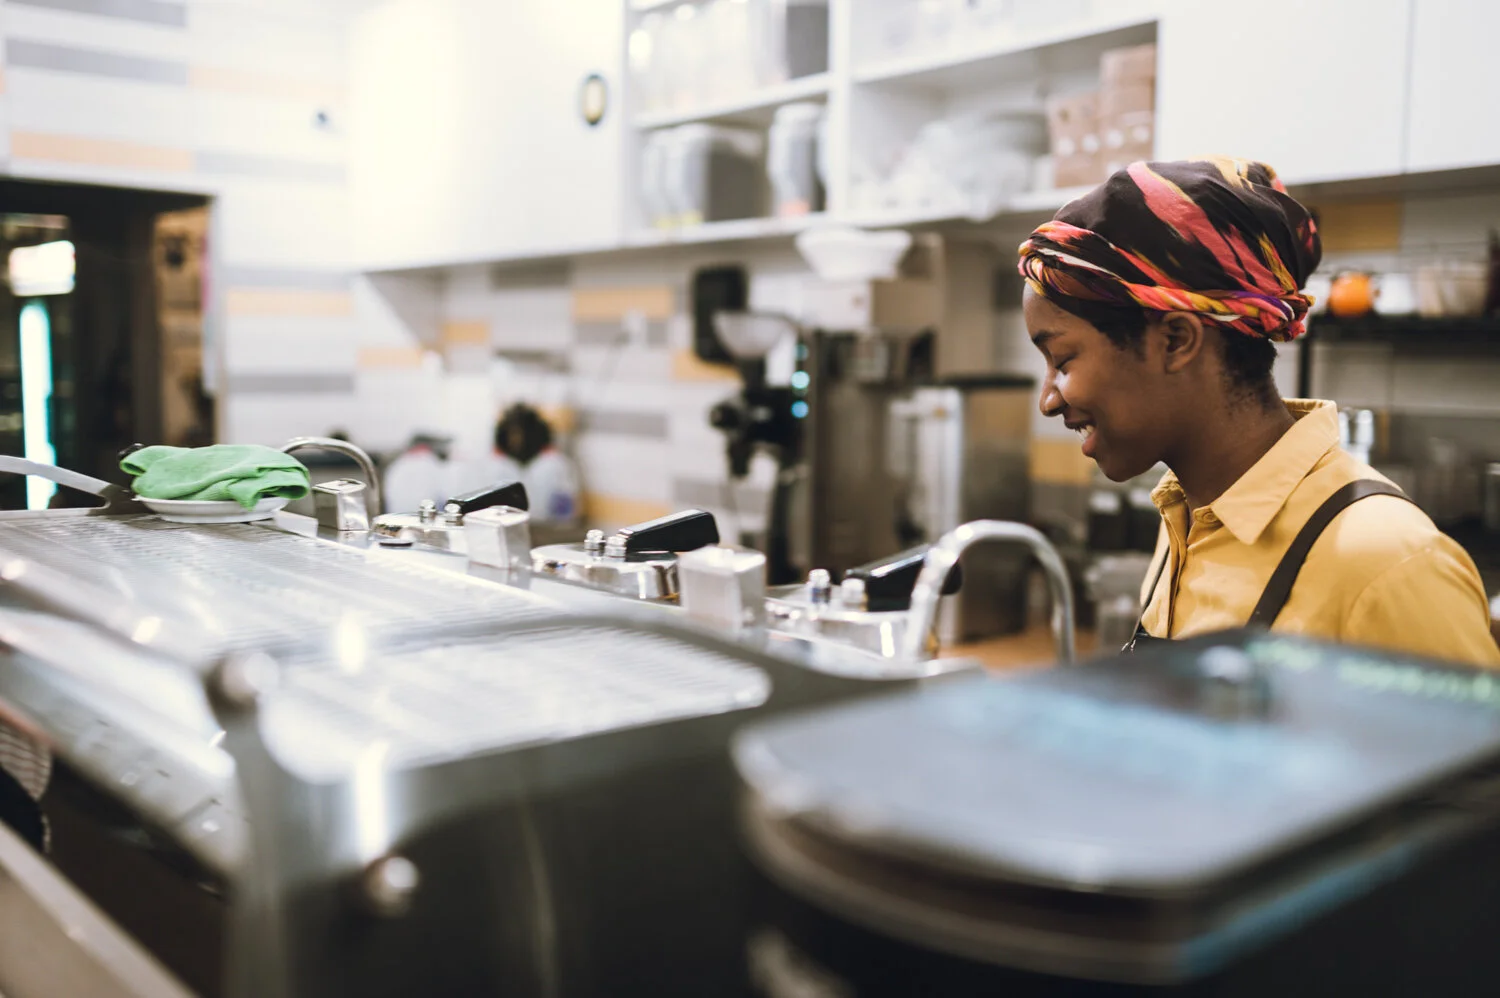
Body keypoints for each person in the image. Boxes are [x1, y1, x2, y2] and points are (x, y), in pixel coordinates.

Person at [1018, 156, 1499, 667]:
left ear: (1177, 341)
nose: (1049, 400)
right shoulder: (1188, 521)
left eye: (1063, 360)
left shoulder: (1389, 564)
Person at [492, 403, 579, 524]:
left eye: (519, 433)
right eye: (511, 433)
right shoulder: (498, 465)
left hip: (547, 530)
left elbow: (566, 511)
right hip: (509, 527)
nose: (515, 440)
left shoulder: (554, 464)